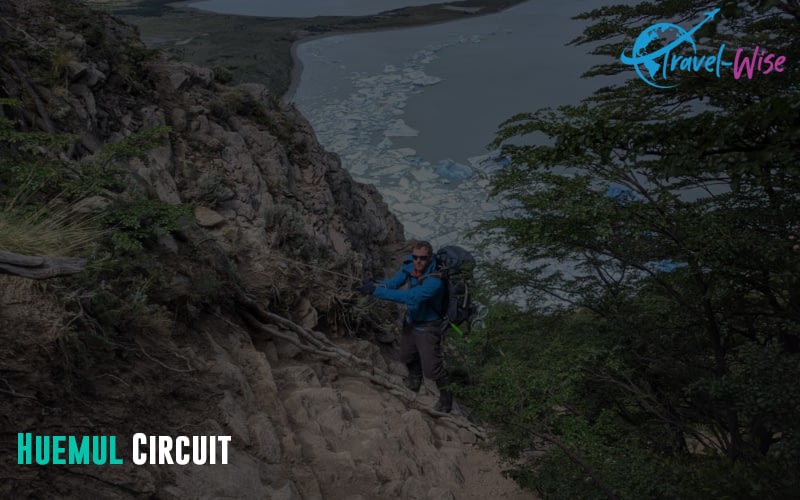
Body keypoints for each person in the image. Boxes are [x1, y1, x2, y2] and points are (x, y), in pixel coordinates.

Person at [357, 241, 453, 413]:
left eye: (422, 258)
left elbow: (411, 297)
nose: (418, 261)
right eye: (415, 257)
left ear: (430, 258)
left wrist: (374, 291)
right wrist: (376, 284)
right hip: (411, 321)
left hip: (428, 326)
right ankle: (414, 381)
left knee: (432, 369)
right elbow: (394, 283)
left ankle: (446, 400)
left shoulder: (435, 281)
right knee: (407, 355)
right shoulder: (410, 267)